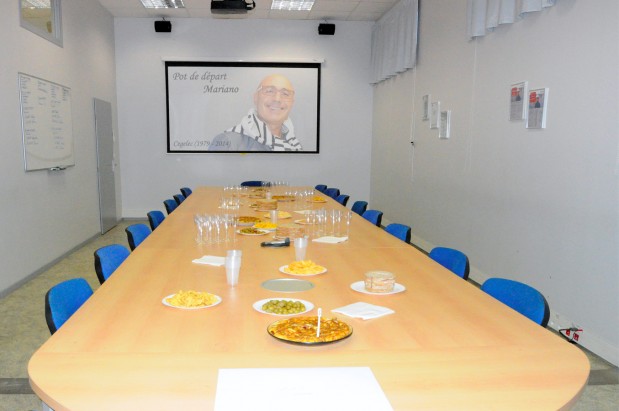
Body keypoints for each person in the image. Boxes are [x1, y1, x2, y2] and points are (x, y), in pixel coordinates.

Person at [209, 74, 303, 151]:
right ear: (255, 98)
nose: (277, 99)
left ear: (292, 103)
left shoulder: (294, 145)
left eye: (285, 94)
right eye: (270, 91)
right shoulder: (229, 142)